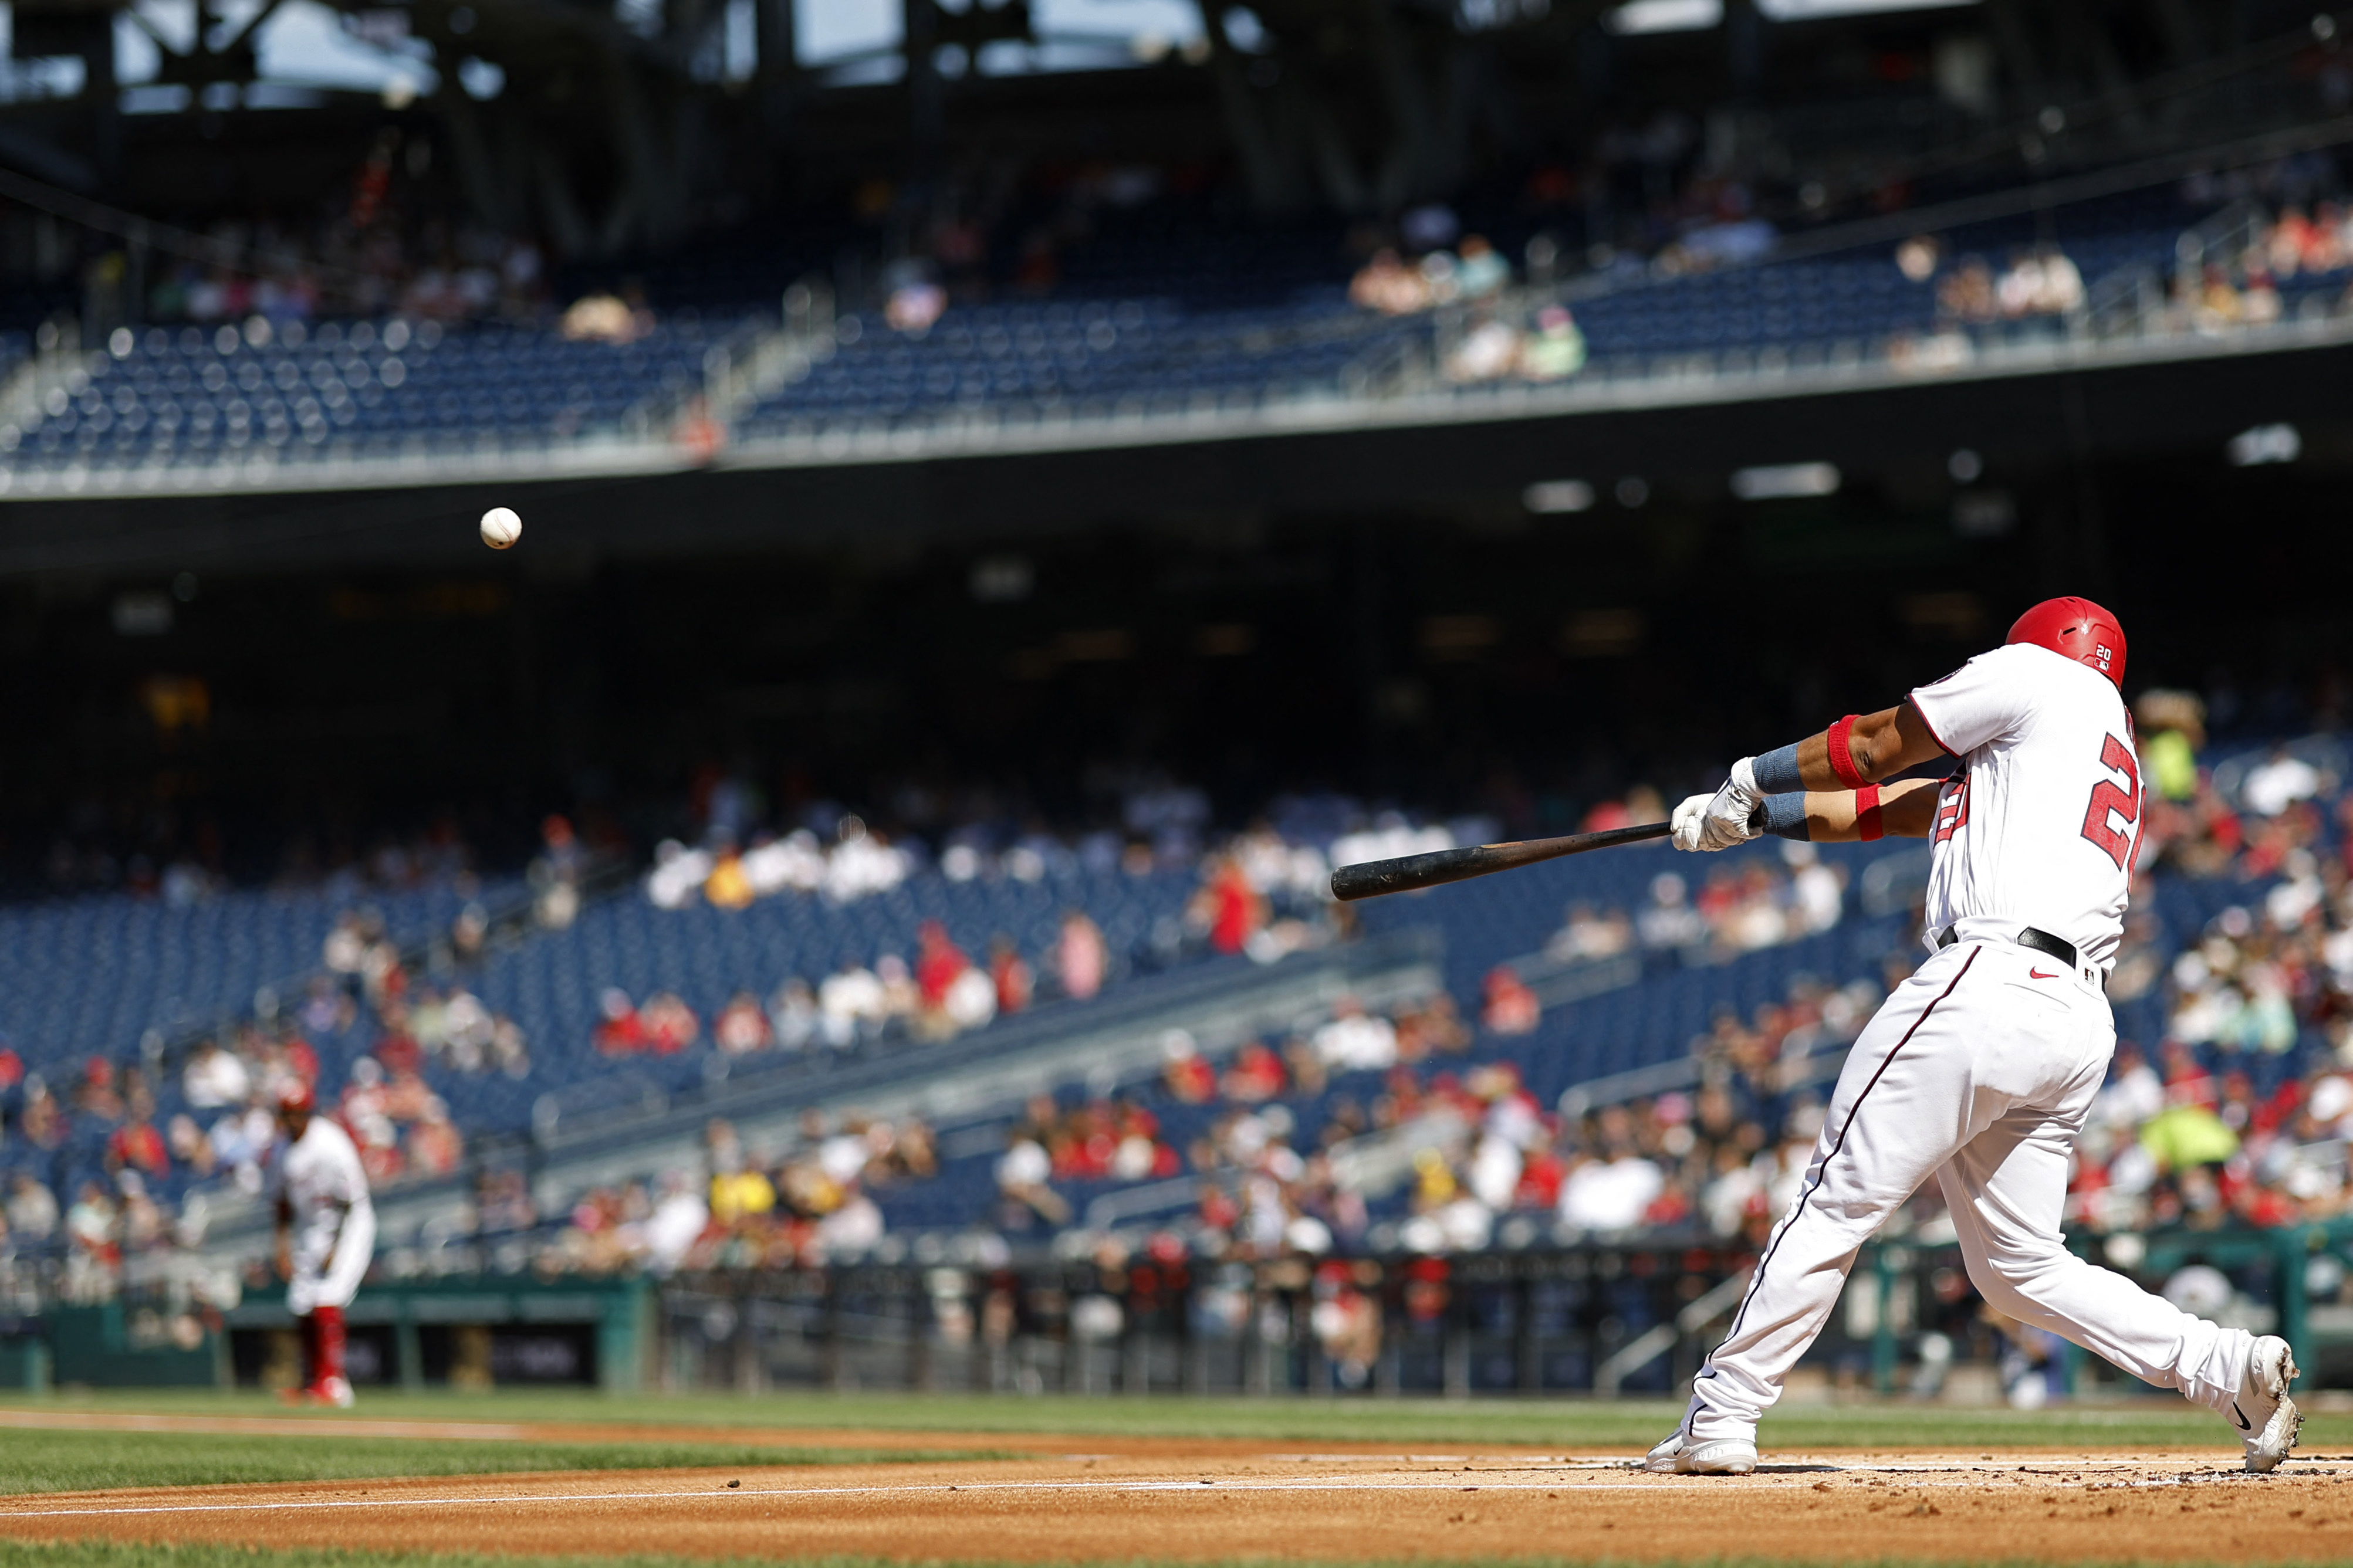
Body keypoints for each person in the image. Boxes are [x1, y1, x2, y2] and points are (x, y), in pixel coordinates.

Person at [1645, 597, 2301, 1476]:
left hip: (1986, 979)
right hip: (2070, 1020)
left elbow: (1877, 745)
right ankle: (2227, 1367)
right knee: (2018, 1265)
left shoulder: (2035, 675)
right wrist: (1756, 820)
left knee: (1835, 1196)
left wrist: (1748, 775)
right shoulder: (2088, 749)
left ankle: (1721, 1412)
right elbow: (1890, 806)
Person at [271, 1078, 375, 1408]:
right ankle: (312, 1381)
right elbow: (282, 1204)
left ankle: (335, 1385)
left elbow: (350, 1200)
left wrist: (335, 1247)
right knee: (302, 1301)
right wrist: (283, 1246)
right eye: (286, 1113)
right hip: (310, 1228)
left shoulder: (329, 1143)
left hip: (348, 1225)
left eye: (297, 1113)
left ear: (308, 1112)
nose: (292, 1120)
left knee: (327, 1295)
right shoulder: (281, 1150)